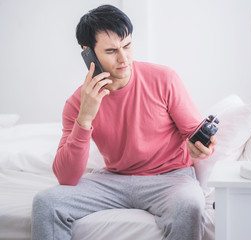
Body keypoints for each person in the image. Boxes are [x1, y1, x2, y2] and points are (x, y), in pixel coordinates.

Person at [31, 4, 217, 240]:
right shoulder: (77, 102)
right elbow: (66, 178)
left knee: (190, 205)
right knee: (46, 202)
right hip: (113, 180)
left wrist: (202, 148)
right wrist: (85, 117)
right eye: (111, 51)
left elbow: (196, 135)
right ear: (88, 53)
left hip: (169, 179)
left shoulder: (164, 79)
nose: (124, 58)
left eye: (127, 46)